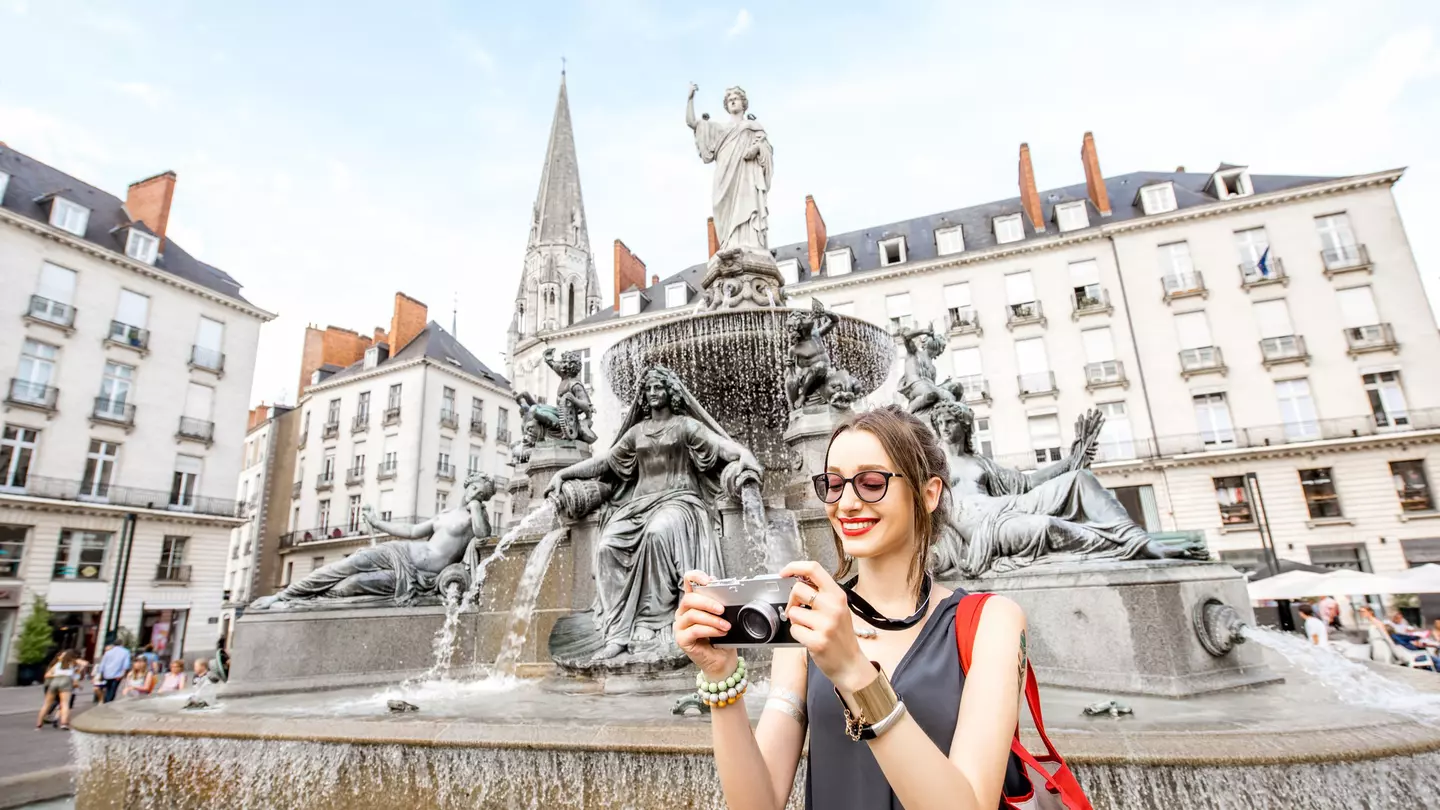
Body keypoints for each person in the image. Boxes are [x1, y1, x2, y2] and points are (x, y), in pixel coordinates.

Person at [675, 405, 1031, 809]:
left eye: (871, 482)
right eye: (833, 484)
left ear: (929, 493)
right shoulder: (805, 624)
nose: (845, 503)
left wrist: (854, 672)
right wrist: (722, 681)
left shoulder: (992, 622)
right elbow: (758, 805)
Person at [546, 365, 763, 661]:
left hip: (680, 501)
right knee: (608, 547)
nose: (652, 394)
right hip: (638, 505)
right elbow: (604, 463)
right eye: (648, 390)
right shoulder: (636, 432)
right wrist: (565, 474)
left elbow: (718, 446)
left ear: (670, 392)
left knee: (657, 533)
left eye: (658, 388)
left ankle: (656, 623)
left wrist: (743, 454)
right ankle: (617, 633)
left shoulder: (685, 425)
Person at [35, 650, 78, 731]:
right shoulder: (74, 664)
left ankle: (39, 723)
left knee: (46, 704)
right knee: (64, 704)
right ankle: (64, 723)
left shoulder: (58, 664)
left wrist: (56, 674)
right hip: (66, 682)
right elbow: (82, 666)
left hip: (55, 681)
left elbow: (47, 675)